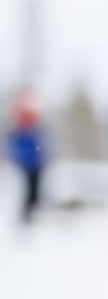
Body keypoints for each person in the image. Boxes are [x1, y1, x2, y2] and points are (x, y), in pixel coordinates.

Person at [7, 87, 45, 224]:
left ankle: (32, 215)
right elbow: (17, 149)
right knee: (28, 192)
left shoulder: (35, 130)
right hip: (27, 165)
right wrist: (24, 160)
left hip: (36, 165)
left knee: (35, 192)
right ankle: (25, 218)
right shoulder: (21, 130)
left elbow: (40, 147)